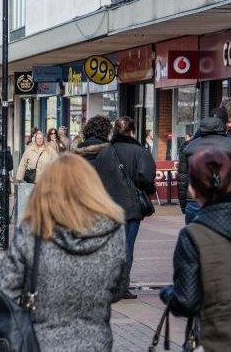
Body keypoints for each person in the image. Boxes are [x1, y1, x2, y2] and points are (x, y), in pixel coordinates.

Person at [0, 154, 127, 351]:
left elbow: (3, 292)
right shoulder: (114, 230)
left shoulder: (34, 230)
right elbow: (119, 288)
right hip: (95, 342)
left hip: (40, 341)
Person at [160, 148, 231, 350]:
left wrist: (168, 293)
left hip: (217, 339)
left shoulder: (193, 236)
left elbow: (186, 301)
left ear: (192, 189)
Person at [92, 116, 156, 299]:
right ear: (132, 131)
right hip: (130, 208)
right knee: (127, 248)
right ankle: (122, 287)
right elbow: (146, 177)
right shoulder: (140, 151)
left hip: (107, 208)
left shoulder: (105, 153)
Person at [178, 114, 231, 224]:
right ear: (223, 127)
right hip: (225, 198)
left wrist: (184, 204)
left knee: (194, 236)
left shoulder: (189, 147)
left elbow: (183, 178)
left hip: (195, 200)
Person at [15, 129, 58, 221]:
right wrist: (19, 178)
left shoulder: (49, 150)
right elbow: (23, 164)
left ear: (43, 139)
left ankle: (43, 218)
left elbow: (57, 162)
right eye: (38, 138)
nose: (39, 140)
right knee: (32, 200)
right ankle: (34, 218)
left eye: (41, 138)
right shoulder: (29, 150)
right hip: (31, 180)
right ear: (35, 139)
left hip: (44, 180)